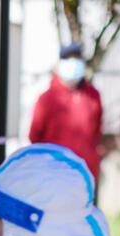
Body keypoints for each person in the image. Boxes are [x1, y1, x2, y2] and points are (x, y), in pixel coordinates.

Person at [29, 43, 103, 200]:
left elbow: (97, 131)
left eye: (77, 59)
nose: (74, 63)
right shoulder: (47, 98)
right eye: (69, 59)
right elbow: (35, 135)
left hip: (86, 174)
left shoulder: (93, 96)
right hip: (54, 174)